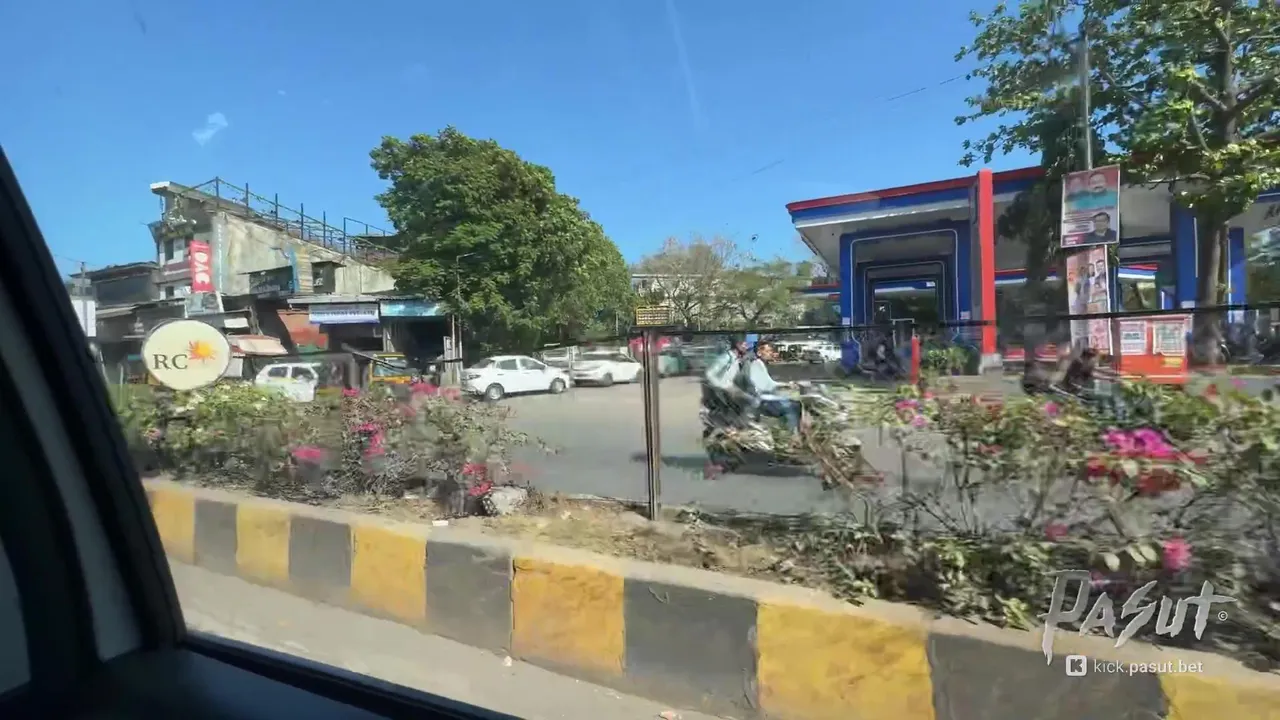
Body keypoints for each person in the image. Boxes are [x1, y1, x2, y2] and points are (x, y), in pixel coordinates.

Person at [739, 340, 801, 432]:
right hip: (761, 401)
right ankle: (792, 432)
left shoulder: (758, 363)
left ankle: (791, 430)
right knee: (793, 406)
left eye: (771, 351)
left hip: (761, 398)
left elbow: (768, 383)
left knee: (793, 403)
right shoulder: (756, 364)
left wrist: (786, 385)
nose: (770, 353)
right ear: (759, 353)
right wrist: (786, 387)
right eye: (767, 351)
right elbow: (765, 386)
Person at [701, 339, 749, 424]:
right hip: (719, 391)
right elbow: (709, 374)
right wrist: (722, 386)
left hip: (728, 389)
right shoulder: (726, 358)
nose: (747, 347)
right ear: (738, 345)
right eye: (744, 345)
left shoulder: (736, 359)